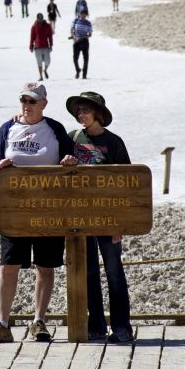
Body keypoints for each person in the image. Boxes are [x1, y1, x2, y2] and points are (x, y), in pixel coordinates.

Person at [0, 83, 76, 343]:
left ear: (44, 103)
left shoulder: (54, 129)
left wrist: (68, 162)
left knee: (45, 266)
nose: (27, 105)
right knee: (8, 266)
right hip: (15, 209)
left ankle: (39, 321)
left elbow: (70, 159)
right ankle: (2, 323)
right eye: (24, 100)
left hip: (50, 209)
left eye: (33, 101)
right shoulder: (8, 128)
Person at [65, 91, 135, 342]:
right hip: (81, 217)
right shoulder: (72, 138)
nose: (80, 114)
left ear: (98, 113)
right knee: (89, 271)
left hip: (108, 217)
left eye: (85, 110)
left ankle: (122, 327)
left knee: (114, 271)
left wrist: (120, 222)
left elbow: (127, 183)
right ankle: (95, 325)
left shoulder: (114, 142)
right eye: (78, 111)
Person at [29, 13, 54, 81]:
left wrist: (51, 45)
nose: (40, 19)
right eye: (39, 18)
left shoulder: (47, 26)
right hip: (37, 47)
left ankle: (45, 70)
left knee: (48, 61)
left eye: (41, 18)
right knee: (39, 62)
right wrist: (31, 46)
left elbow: (50, 36)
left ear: (43, 18)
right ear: (37, 18)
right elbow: (32, 37)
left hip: (46, 46)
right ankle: (41, 76)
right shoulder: (34, 26)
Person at [71, 9, 93, 79]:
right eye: (82, 14)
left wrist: (84, 37)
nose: (83, 15)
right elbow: (71, 30)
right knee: (75, 58)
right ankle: (78, 70)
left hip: (84, 41)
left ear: (86, 15)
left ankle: (84, 74)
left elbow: (90, 34)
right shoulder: (75, 21)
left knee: (86, 59)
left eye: (84, 14)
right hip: (76, 41)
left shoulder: (88, 23)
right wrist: (74, 37)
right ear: (79, 14)